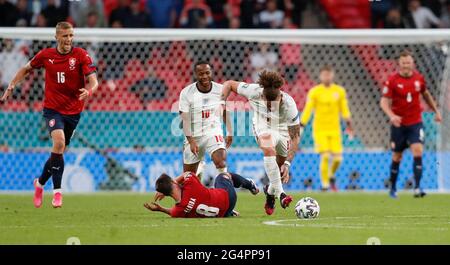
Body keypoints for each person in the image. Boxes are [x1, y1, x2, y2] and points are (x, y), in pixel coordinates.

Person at [0, 22, 98, 208]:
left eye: (71, 36)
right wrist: (12, 84)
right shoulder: (46, 55)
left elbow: (94, 81)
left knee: (58, 151)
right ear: (56, 37)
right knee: (59, 142)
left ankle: (40, 183)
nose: (69, 39)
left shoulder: (80, 55)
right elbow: (26, 68)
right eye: (65, 36)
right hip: (53, 109)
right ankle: (58, 192)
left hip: (74, 112)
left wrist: (89, 91)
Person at [221, 70, 300, 215]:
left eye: (273, 103)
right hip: (262, 126)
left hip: (282, 130)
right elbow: (229, 84)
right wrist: (221, 102)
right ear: (262, 94)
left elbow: (295, 137)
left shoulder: (289, 105)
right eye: (267, 103)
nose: (270, 107)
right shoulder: (254, 91)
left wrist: (288, 163)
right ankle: (281, 195)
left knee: (279, 168)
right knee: (268, 149)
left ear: (280, 94)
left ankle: (270, 192)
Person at [380, 50, 441, 198]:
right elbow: (383, 101)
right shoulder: (392, 80)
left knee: (418, 150)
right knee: (397, 156)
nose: (406, 65)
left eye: (408, 62)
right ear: (399, 64)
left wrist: (436, 111)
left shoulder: (419, 79)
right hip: (399, 124)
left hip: (415, 122)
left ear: (412, 63)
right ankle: (393, 189)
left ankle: (418, 188)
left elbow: (426, 95)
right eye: (403, 62)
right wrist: (392, 115)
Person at [300, 65, 354, 192]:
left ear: (332, 75)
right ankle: (325, 185)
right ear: (320, 76)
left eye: (328, 74)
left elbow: (344, 109)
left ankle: (330, 175)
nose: (326, 77)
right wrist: (302, 124)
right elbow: (308, 109)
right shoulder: (315, 91)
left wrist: (349, 123)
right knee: (325, 156)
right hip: (320, 129)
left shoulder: (339, 91)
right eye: (324, 74)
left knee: (338, 159)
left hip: (335, 130)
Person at [179, 61, 232, 177]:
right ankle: (200, 168)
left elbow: (224, 111)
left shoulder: (220, 89)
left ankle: (225, 191)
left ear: (211, 72)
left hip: (212, 131)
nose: (204, 76)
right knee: (190, 177)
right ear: (195, 74)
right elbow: (185, 120)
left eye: (207, 73)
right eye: (201, 74)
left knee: (221, 162)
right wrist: (191, 141)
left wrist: (229, 132)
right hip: (194, 135)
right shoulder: (186, 93)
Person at [144, 171, 259, 218]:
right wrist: (175, 180)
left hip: (222, 213)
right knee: (223, 176)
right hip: (229, 198)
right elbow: (188, 173)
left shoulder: (179, 210)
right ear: (173, 182)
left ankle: (230, 212)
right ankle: (251, 185)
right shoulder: (190, 185)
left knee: (207, 198)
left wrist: (159, 209)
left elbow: (171, 212)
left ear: (166, 194)